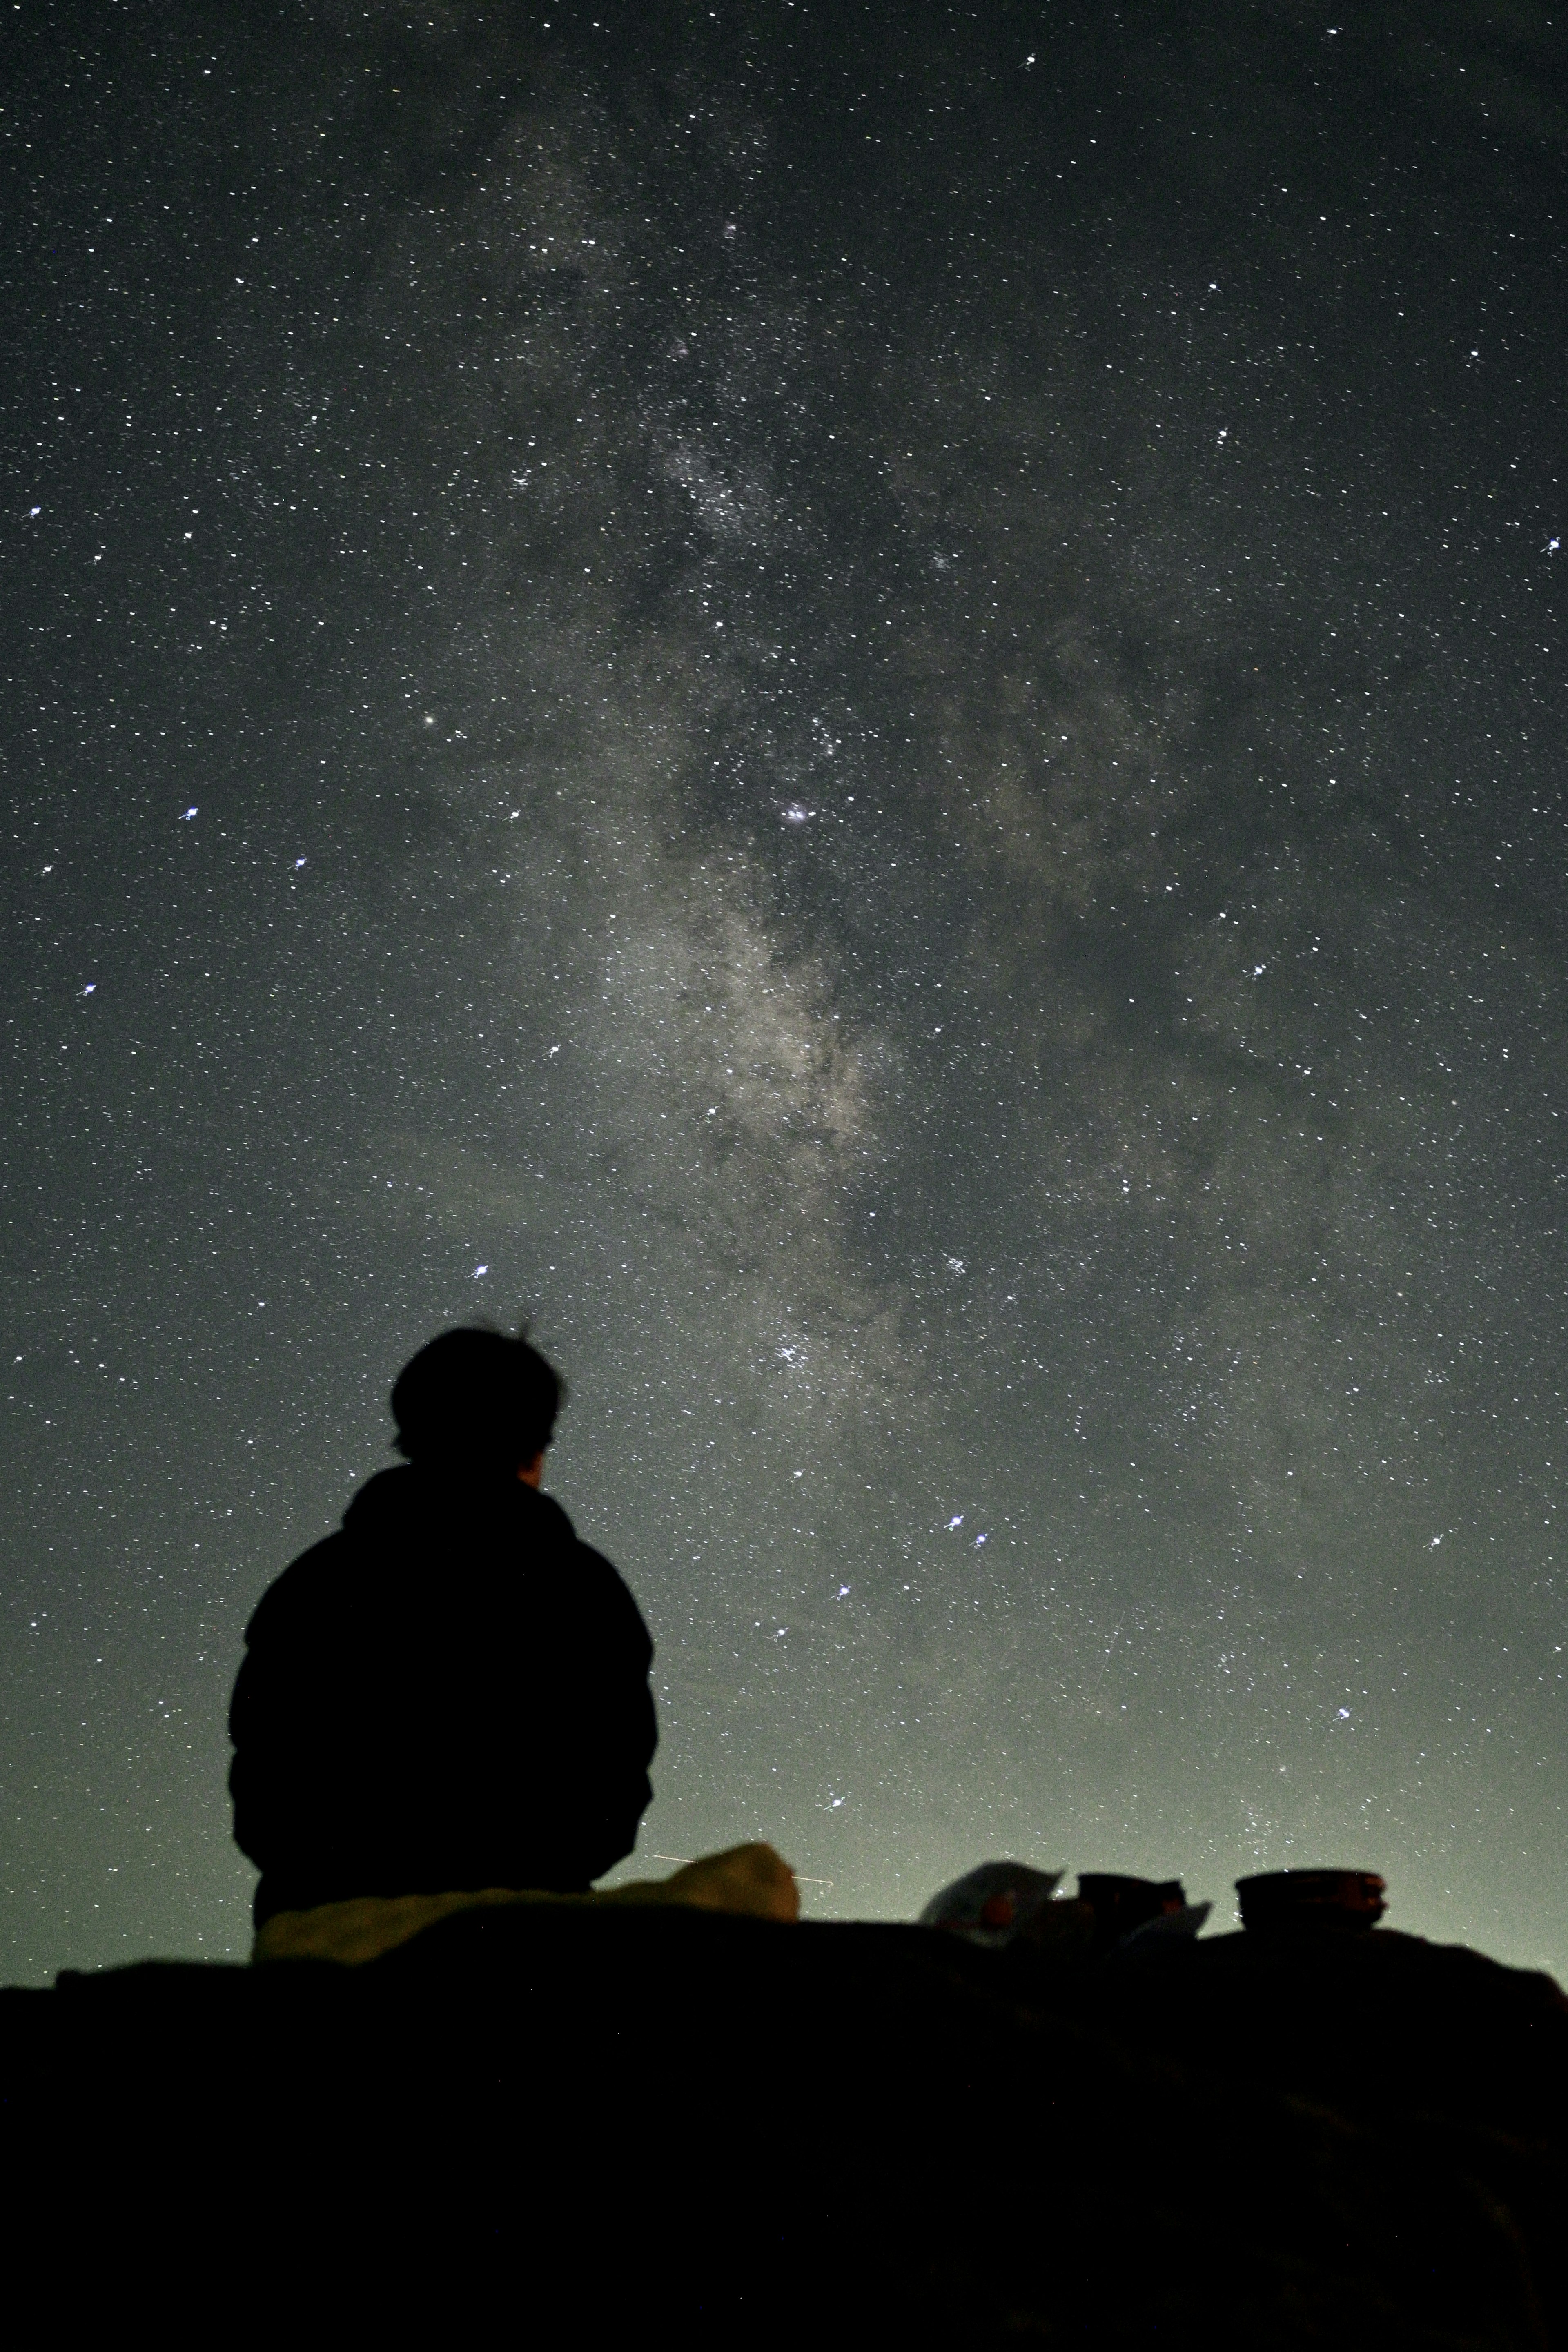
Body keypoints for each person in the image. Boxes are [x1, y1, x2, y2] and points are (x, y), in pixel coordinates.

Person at [229, 1326, 657, 1927]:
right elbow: (609, 1789)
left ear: (411, 1434)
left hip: (329, 1938)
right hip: (523, 1939)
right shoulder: (582, 1590)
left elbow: (267, 1778)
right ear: (534, 1449)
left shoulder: (322, 1580)